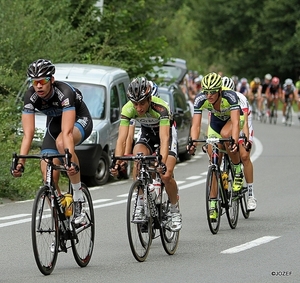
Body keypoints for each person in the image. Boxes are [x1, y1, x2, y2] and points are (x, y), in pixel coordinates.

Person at [12, 59, 93, 225]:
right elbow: (28, 134)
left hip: (78, 120)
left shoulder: (64, 92)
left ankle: (78, 200)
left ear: (52, 80)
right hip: (54, 125)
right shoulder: (31, 96)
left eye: (43, 81)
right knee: (46, 170)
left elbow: (68, 132)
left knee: (62, 143)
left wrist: (69, 159)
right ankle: (60, 215)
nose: (39, 86)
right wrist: (21, 162)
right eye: (35, 82)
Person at [110, 77, 182, 232]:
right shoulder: (128, 109)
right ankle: (141, 202)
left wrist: (161, 162)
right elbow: (122, 139)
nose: (139, 108)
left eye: (142, 103)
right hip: (147, 134)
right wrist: (117, 161)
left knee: (166, 175)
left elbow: (164, 138)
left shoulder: (161, 108)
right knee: (138, 158)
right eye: (135, 103)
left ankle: (174, 210)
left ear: (150, 99)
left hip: (166, 133)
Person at [187, 72, 244, 220]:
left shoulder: (229, 96)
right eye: (206, 92)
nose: (209, 95)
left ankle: (237, 171)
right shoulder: (200, 99)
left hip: (233, 120)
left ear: (219, 90)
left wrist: (235, 142)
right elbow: (196, 124)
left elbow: (236, 122)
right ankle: (213, 204)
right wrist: (193, 141)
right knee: (213, 160)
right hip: (215, 123)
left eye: (212, 92)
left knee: (227, 136)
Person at [222, 76, 257, 211]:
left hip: (243, 122)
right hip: (227, 123)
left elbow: (244, 125)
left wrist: (246, 140)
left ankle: (250, 194)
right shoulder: (217, 100)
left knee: (244, 156)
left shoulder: (240, 99)